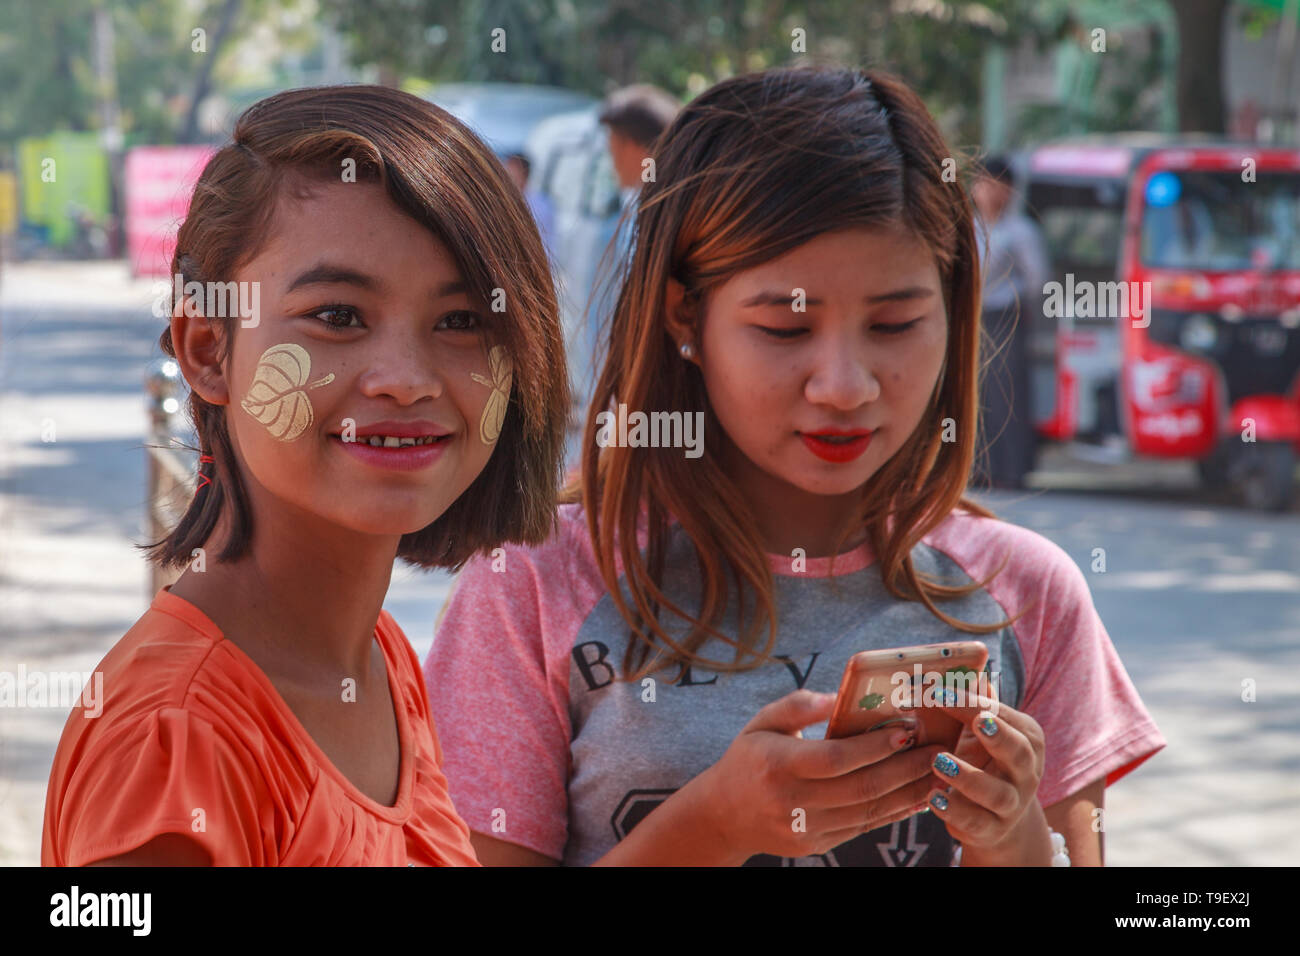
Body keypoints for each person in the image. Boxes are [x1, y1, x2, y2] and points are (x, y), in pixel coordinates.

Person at [425, 66, 1165, 867]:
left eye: (895, 323)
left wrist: (1014, 839)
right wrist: (707, 830)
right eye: (784, 328)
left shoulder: (1029, 596)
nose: (844, 386)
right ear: (685, 316)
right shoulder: (534, 584)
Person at [41, 85, 569, 866]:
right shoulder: (174, 741)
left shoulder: (379, 658)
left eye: (461, 322)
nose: (406, 379)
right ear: (208, 351)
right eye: (338, 316)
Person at [568, 85, 680, 425]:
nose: (612, 159)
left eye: (613, 146)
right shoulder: (672, 204)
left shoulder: (644, 212)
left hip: (633, 396)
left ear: (631, 146)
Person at [971, 155, 1048, 491]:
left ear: (1010, 191)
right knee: (973, 395)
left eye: (998, 186)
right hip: (970, 320)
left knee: (1006, 395)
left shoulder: (1021, 232)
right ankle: (975, 469)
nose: (989, 192)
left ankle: (1013, 470)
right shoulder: (966, 227)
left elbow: (1038, 280)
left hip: (1005, 319)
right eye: (984, 184)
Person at [505, 151, 556, 258]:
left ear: (525, 174)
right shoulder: (503, 200)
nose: (507, 176)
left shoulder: (541, 205)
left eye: (513, 173)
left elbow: (548, 242)